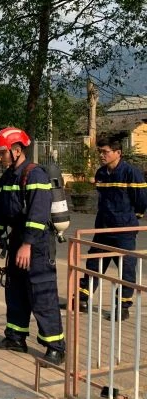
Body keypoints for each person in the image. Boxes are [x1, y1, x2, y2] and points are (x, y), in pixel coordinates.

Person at [0, 127, 65, 365]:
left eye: (3, 153)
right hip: (17, 241)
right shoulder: (7, 177)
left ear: (17, 150)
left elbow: (38, 213)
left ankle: (55, 347)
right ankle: (15, 337)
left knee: (41, 293)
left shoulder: (35, 175)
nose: (0, 157)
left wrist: (28, 244)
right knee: (15, 291)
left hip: (37, 244)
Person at [77, 135, 147, 321]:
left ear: (118, 153)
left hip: (123, 231)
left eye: (105, 152)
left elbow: (141, 201)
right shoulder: (101, 173)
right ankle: (82, 299)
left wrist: (130, 218)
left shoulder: (131, 173)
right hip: (102, 228)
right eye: (100, 152)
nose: (101, 155)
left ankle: (122, 306)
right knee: (94, 264)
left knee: (126, 267)